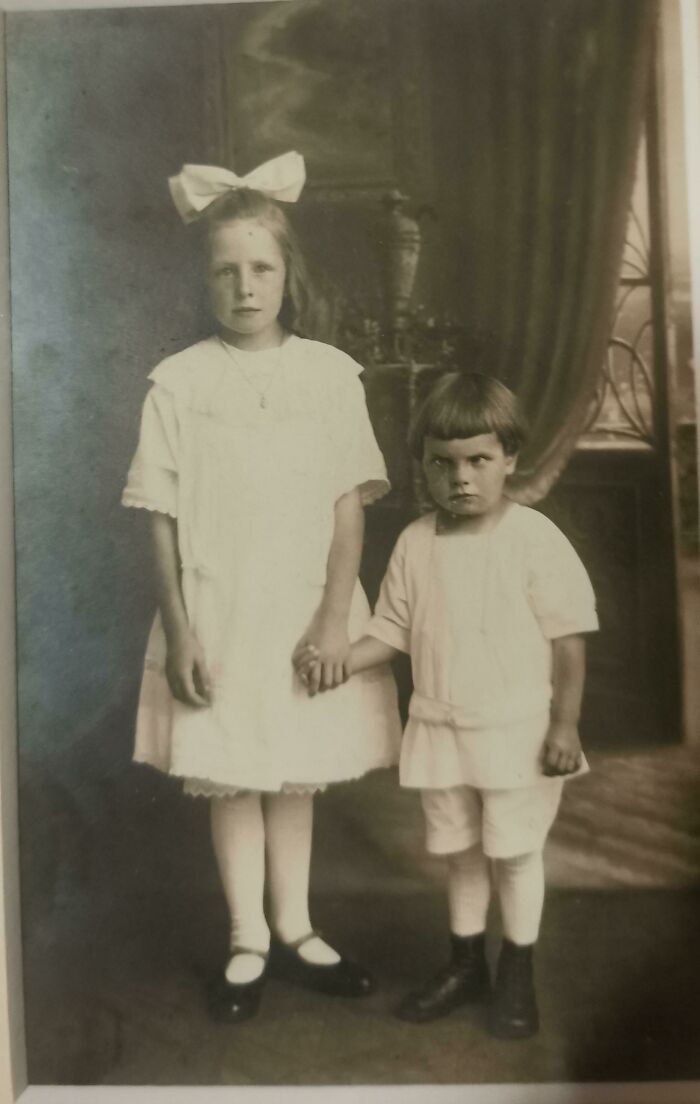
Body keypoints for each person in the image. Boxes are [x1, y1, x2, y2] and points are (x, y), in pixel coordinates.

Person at [122, 152, 401, 1024]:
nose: (245, 288)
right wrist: (181, 630)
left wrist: (332, 620)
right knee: (232, 769)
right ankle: (247, 938)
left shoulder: (329, 375)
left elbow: (347, 508)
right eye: (226, 272)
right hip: (218, 608)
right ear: (204, 279)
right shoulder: (179, 382)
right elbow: (159, 518)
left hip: (303, 606)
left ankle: (297, 926)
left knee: (293, 770)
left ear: (288, 274)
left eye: (262, 269)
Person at [295, 370, 598, 1039]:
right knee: (460, 853)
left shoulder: (534, 539)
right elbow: (392, 631)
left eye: (477, 460)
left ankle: (516, 970)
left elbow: (570, 640)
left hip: (517, 733)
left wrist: (565, 726)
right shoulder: (416, 543)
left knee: (514, 852)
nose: (460, 478)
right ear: (424, 467)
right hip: (439, 728)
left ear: (509, 458)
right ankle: (466, 965)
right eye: (442, 463)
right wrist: (339, 659)